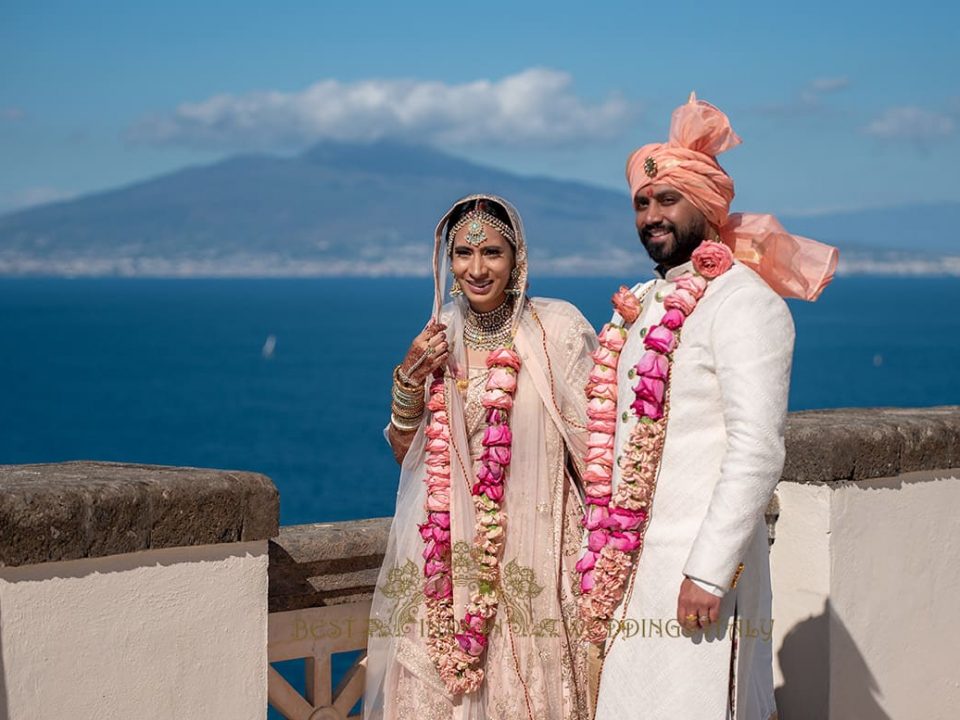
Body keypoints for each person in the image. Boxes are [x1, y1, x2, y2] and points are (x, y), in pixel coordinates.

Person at [577, 94, 839, 719]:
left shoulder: (745, 303)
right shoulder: (641, 302)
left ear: (707, 206)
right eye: (642, 204)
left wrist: (711, 571)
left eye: (667, 200)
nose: (651, 217)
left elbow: (757, 449)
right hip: (628, 569)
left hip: (697, 579)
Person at [365, 194, 598, 720]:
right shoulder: (438, 336)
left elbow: (599, 450)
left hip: (539, 563)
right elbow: (411, 459)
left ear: (517, 259)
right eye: (463, 255)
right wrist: (408, 380)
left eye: (491, 252)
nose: (476, 268)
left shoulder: (555, 331)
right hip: (448, 571)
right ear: (447, 263)